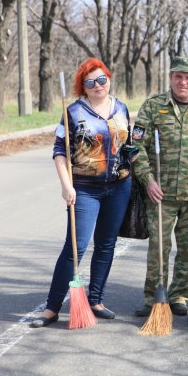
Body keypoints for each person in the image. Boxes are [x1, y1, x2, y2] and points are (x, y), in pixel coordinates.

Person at [31, 58, 132, 327]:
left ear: (109, 79)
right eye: (90, 82)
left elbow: (128, 145)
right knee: (76, 247)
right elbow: (60, 152)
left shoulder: (121, 108)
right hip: (85, 189)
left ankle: (96, 300)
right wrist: (67, 185)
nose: (98, 85)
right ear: (83, 87)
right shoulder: (73, 113)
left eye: (102, 79)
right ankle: (52, 308)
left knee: (106, 244)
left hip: (119, 186)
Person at [132, 56, 188, 317]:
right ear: (171, 77)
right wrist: (147, 180)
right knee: (159, 247)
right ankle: (153, 296)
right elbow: (136, 148)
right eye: (178, 76)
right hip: (161, 191)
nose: (183, 82)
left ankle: (180, 295)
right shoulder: (153, 107)